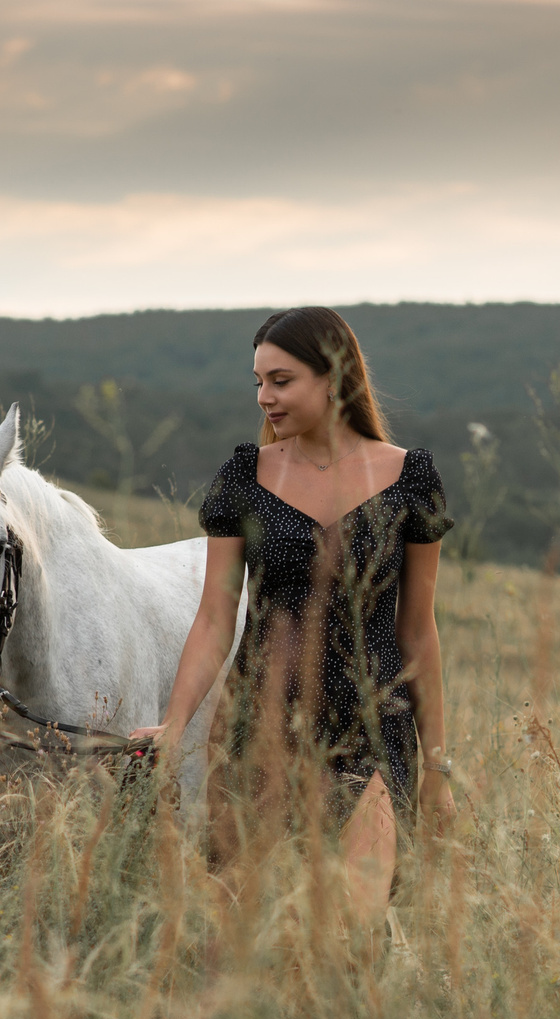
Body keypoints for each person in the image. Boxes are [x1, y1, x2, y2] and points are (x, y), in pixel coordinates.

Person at [133, 307, 455, 920]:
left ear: (333, 376)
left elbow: (417, 630)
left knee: (356, 932)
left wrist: (437, 764)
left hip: (373, 726)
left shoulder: (411, 478)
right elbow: (213, 619)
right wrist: (175, 726)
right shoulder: (244, 478)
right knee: (239, 933)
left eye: (280, 381)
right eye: (257, 382)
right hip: (262, 722)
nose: (265, 398)